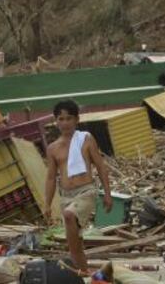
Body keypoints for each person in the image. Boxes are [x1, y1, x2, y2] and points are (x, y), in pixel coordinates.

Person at [45, 100, 113, 276]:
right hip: (66, 196)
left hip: (86, 191)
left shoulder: (86, 139)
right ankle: (83, 270)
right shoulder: (53, 148)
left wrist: (107, 194)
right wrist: (47, 204)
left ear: (77, 119)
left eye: (69, 118)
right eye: (61, 119)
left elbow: (100, 166)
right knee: (73, 238)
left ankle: (82, 269)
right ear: (56, 121)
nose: (65, 123)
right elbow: (51, 178)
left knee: (69, 215)